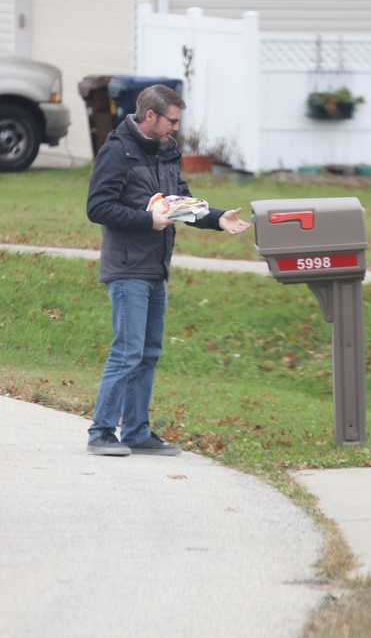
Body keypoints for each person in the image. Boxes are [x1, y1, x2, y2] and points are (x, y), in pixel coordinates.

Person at [85, 84, 251, 456]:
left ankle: (137, 433)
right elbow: (97, 208)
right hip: (127, 268)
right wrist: (147, 221)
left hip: (156, 267)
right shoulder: (117, 151)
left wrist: (217, 217)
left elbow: (179, 202)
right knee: (127, 351)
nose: (176, 128)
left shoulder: (166, 151)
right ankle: (101, 433)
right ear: (150, 117)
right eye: (171, 121)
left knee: (148, 353)